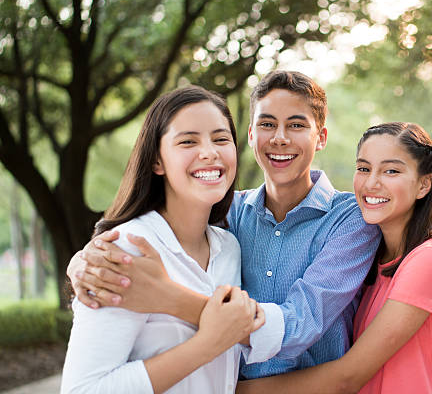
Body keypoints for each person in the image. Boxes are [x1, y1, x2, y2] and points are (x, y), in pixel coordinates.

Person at [65, 71, 381, 380]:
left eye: (296, 125)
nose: (280, 138)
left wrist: (169, 297)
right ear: (251, 136)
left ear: (321, 137)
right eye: (267, 124)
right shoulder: (230, 219)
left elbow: (298, 326)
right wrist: (83, 261)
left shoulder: (352, 218)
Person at [61, 85, 267, 394]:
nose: (210, 151)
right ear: (157, 161)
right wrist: (207, 345)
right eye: (188, 141)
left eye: (221, 139)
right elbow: (82, 390)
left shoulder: (229, 248)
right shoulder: (126, 249)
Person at [238, 122, 432, 394]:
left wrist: (233, 389)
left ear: (424, 184)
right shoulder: (373, 259)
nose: (372, 183)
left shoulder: (431, 258)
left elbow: (347, 377)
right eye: (364, 168)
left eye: (391, 171)